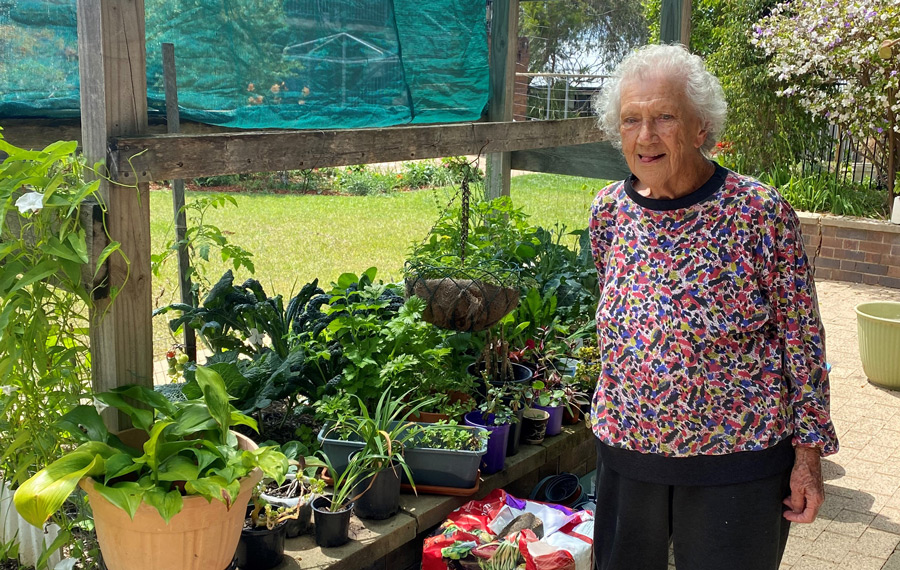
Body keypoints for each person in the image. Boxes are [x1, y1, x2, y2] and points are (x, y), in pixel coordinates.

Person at [587, 43, 838, 570]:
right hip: (629, 452)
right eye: (631, 120)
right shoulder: (609, 211)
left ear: (701, 127)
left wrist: (808, 455)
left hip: (738, 462)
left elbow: (803, 340)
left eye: (664, 117)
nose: (646, 136)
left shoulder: (758, 212)